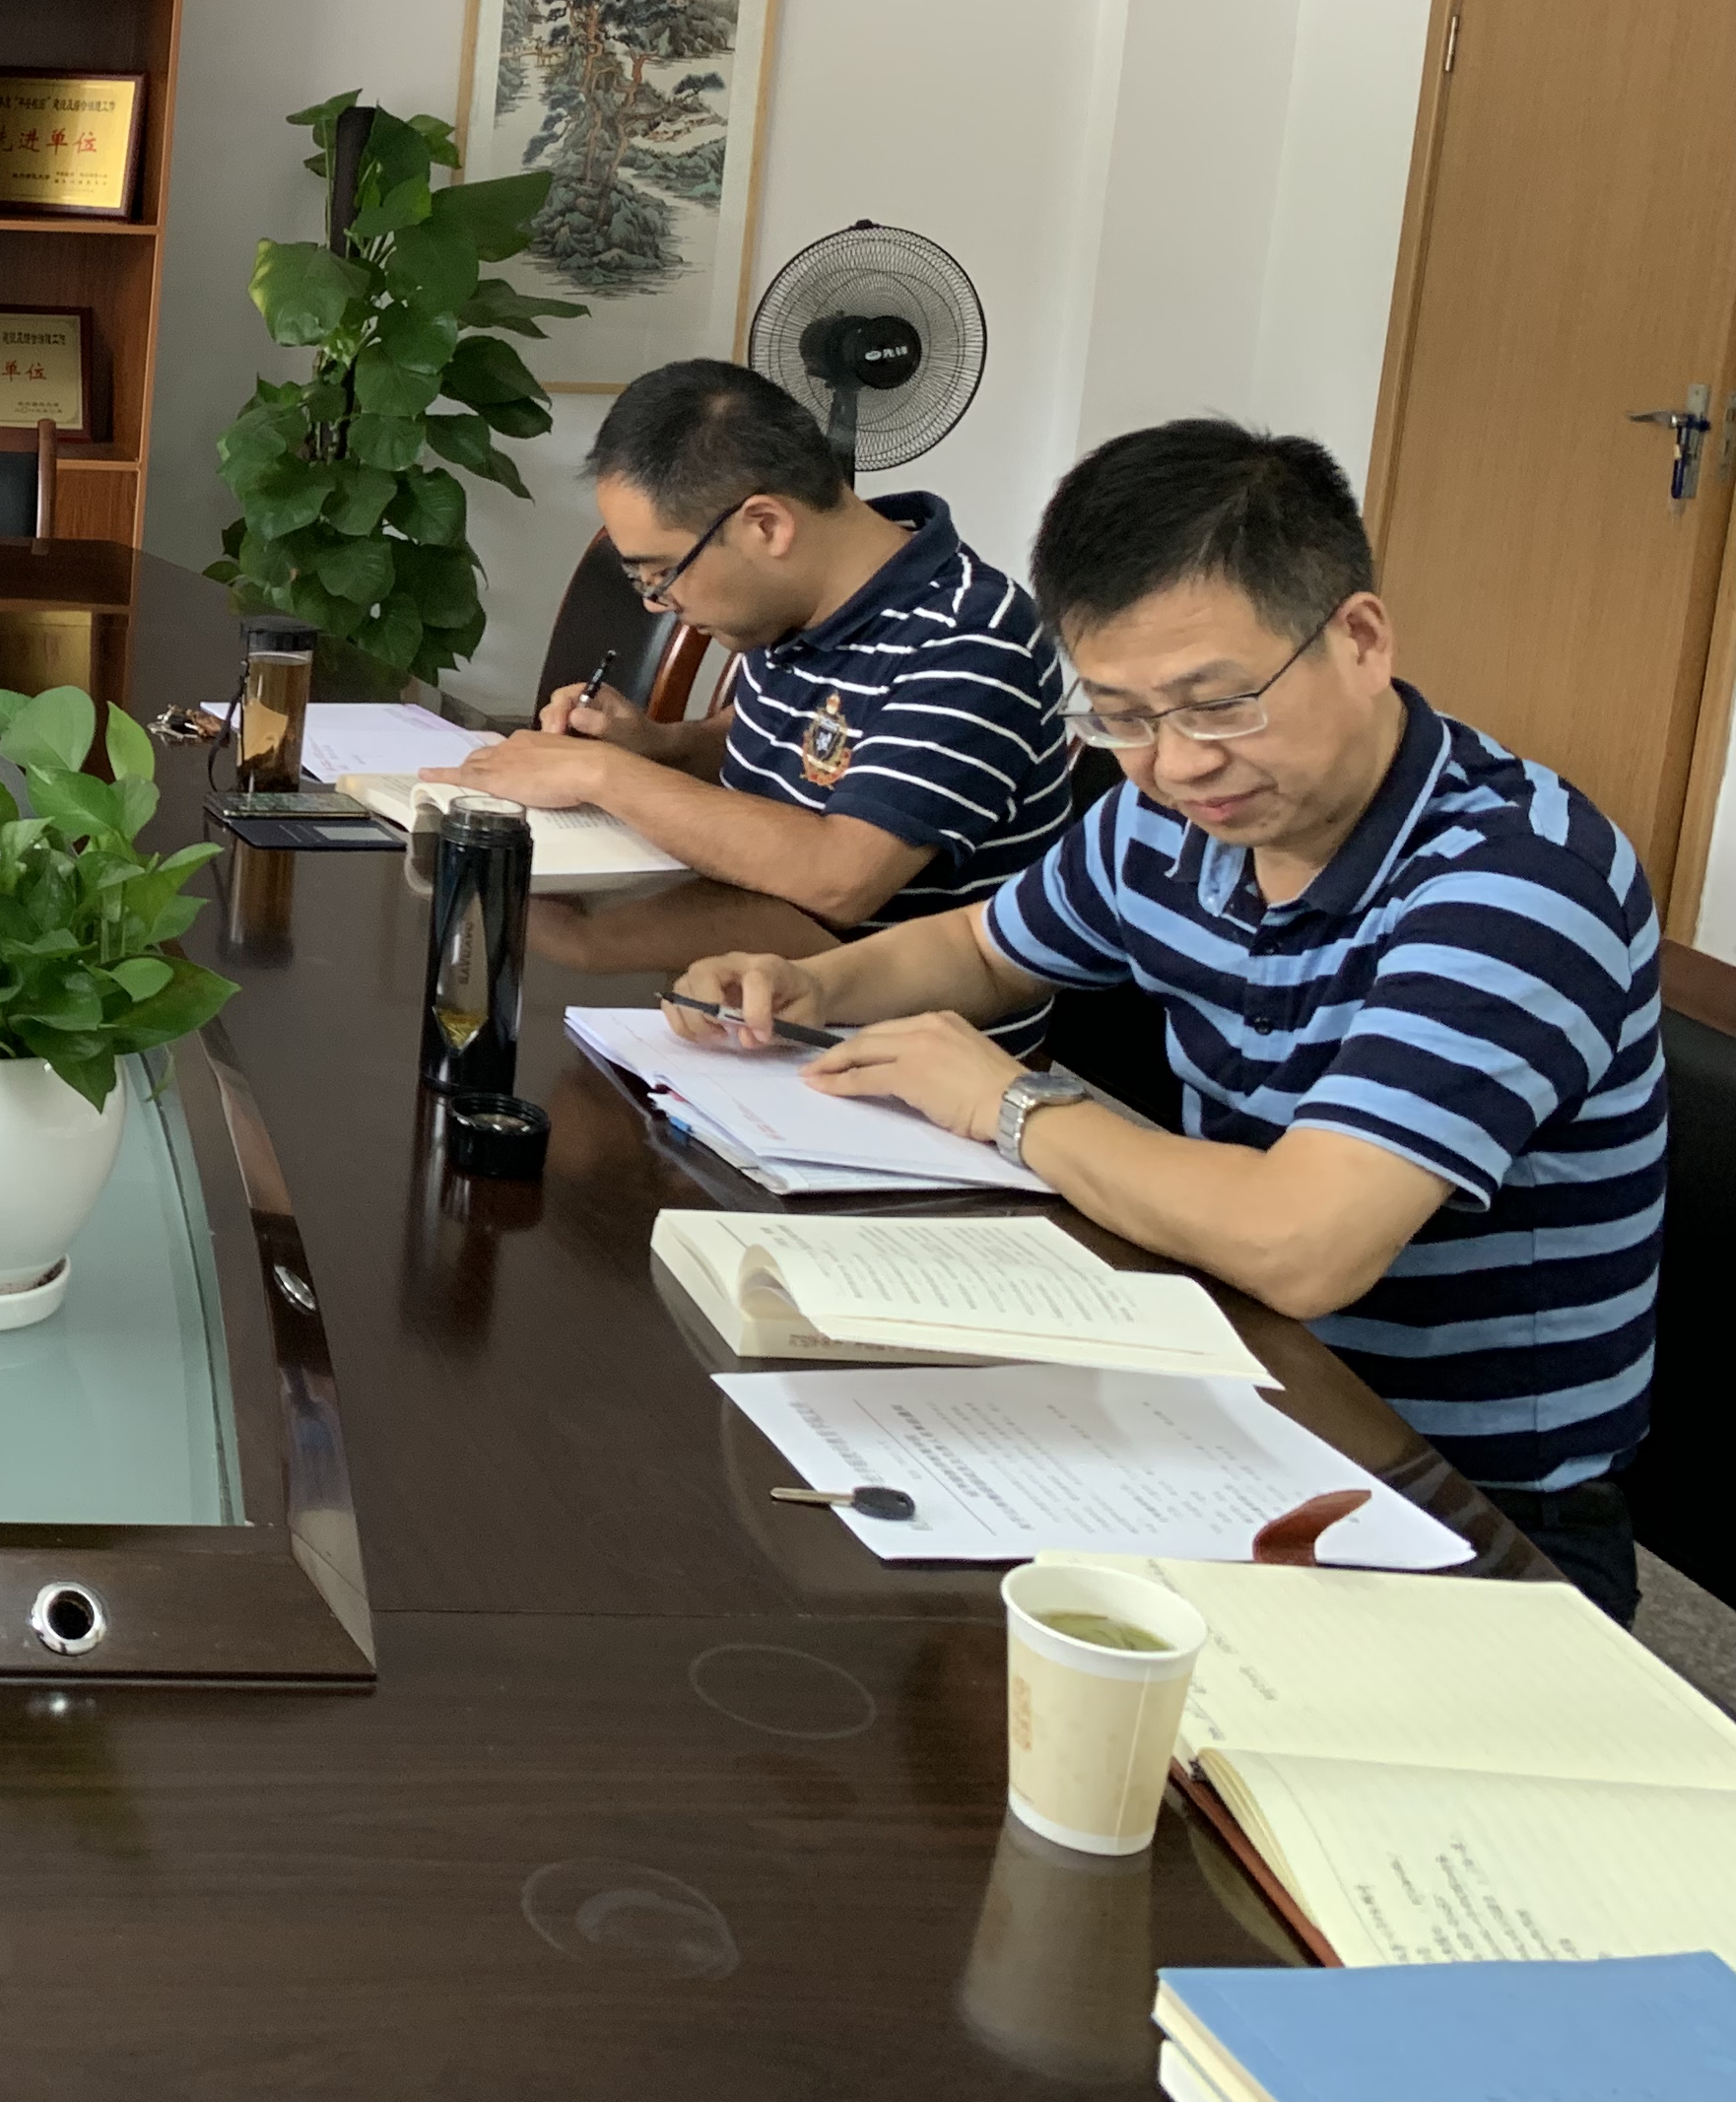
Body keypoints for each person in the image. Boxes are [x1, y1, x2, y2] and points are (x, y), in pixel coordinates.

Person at [670, 420, 1666, 1616]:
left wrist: (1012, 1106)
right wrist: (814, 985)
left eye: (1218, 703)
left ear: (1360, 639)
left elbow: (1304, 1244)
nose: (1178, 764)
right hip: (1231, 1390)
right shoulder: (1172, 817)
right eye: (1122, 716)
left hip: (1463, 1500)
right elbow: (983, 947)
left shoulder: (1515, 883)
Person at [456, 359, 1076, 934]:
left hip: (872, 1008)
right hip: (743, 958)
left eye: (663, 573)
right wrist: (658, 746)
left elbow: (840, 879)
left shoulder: (970, 636)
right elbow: (792, 750)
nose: (655, 603)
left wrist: (599, 774)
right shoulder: (802, 604)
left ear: (766, 526)